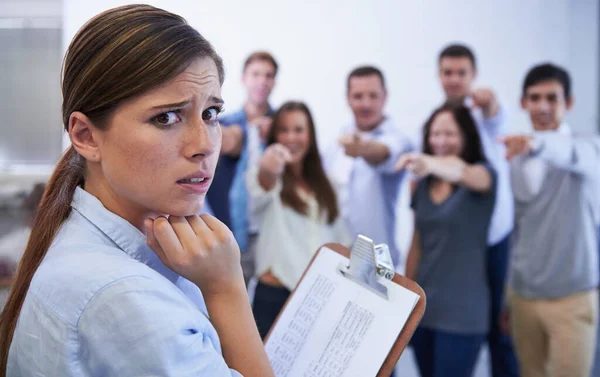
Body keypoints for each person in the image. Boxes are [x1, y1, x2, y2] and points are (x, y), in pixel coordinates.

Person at [0, 5, 274, 376]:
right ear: (86, 135)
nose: (205, 145)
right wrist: (227, 288)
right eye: (166, 117)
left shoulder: (122, 244)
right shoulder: (124, 296)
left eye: (210, 114)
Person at [500, 63, 600, 377]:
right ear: (523, 102)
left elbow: (568, 154)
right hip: (523, 295)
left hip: (572, 297)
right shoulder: (514, 157)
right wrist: (508, 293)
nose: (542, 106)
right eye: (535, 97)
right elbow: (514, 227)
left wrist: (535, 143)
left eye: (552, 98)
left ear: (567, 103)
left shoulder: (587, 148)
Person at [436, 43, 518, 377]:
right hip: (455, 247)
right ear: (438, 75)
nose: (454, 80)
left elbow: (496, 114)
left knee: (501, 330)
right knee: (457, 327)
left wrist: (489, 102)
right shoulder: (439, 123)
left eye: (461, 73)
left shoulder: (487, 118)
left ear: (473, 75)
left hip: (494, 241)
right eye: (447, 73)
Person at [398, 104, 496, 377]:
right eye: (435, 134)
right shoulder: (423, 184)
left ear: (467, 136)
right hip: (425, 310)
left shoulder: (484, 176)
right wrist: (406, 300)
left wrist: (429, 163)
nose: (441, 141)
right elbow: (416, 244)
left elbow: (467, 174)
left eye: (450, 134)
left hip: (463, 314)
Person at [247, 101, 351, 339]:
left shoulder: (327, 183)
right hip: (275, 297)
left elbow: (340, 241)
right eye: (284, 130)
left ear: (310, 135)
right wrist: (271, 160)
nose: (291, 137)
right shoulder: (266, 175)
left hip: (317, 299)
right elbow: (265, 179)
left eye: (298, 129)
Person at [324, 66, 412, 268]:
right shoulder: (335, 144)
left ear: (385, 96)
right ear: (347, 98)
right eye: (358, 96)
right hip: (337, 259)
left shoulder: (398, 141)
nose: (366, 104)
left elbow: (383, 154)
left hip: (377, 263)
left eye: (373, 96)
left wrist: (361, 148)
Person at [206, 51, 277, 284]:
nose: (262, 81)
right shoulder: (224, 123)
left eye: (268, 75)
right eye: (256, 74)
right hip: (234, 229)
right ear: (244, 78)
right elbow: (227, 141)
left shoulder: (284, 127)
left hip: (273, 230)